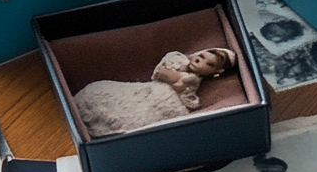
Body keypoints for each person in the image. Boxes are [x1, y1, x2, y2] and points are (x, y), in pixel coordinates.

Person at [73, 47, 237, 138]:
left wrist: (177, 81)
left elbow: (183, 93)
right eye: (201, 56)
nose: (200, 62)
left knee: (144, 118)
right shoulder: (177, 58)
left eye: (209, 64)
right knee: (109, 94)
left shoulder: (194, 80)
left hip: (169, 100)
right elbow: (159, 74)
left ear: (216, 72)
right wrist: (175, 78)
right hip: (152, 90)